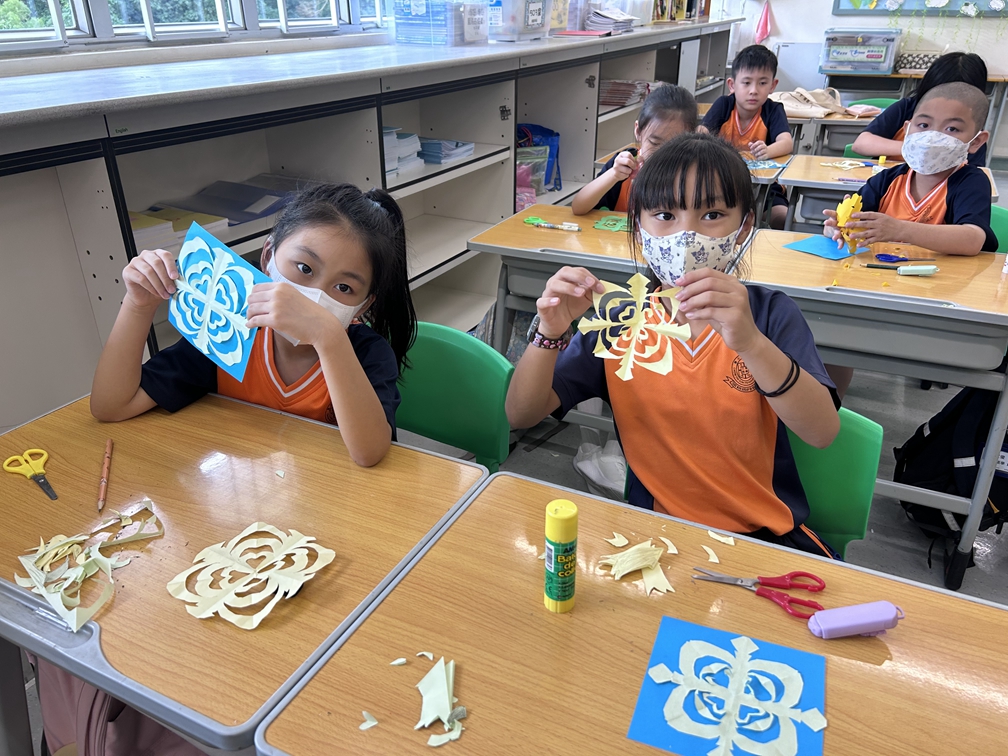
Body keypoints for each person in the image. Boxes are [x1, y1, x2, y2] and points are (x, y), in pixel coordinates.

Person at [506, 132, 842, 557]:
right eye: (665, 214)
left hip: (761, 537)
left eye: (712, 214)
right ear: (639, 228)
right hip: (655, 535)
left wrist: (751, 344)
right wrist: (549, 331)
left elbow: (822, 432)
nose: (686, 234)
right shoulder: (621, 319)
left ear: (743, 228)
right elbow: (521, 413)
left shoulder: (769, 314)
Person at [91, 183, 417, 468]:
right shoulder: (226, 330)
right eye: (304, 268)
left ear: (363, 306)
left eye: (344, 288)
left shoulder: (367, 353)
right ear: (268, 256)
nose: (315, 297)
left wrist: (328, 337)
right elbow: (111, 406)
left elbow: (369, 452)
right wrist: (138, 306)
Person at [823, 82, 996, 398]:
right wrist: (838, 228)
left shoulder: (970, 182)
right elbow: (852, 222)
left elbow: (973, 238)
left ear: (976, 141)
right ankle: (830, 405)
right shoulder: (887, 180)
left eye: (952, 129)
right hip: (877, 290)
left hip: (936, 302)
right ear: (907, 129)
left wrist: (899, 229)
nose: (933, 137)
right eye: (924, 125)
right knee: (829, 336)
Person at [700, 44, 793, 230]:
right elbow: (701, 133)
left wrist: (768, 151)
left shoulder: (773, 110)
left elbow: (787, 143)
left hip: (766, 187)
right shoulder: (724, 105)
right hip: (722, 182)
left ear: (773, 85)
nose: (754, 90)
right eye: (746, 82)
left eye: (762, 83)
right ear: (732, 85)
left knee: (783, 218)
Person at [572, 84, 698, 215]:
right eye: (655, 143)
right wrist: (614, 175)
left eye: (673, 146)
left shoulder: (697, 172)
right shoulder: (625, 165)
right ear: (638, 131)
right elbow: (578, 207)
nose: (662, 154)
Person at [852, 52, 989, 166]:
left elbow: (974, 172)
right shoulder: (907, 107)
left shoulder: (971, 129)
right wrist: (913, 147)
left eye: (952, 129)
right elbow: (861, 144)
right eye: (924, 125)